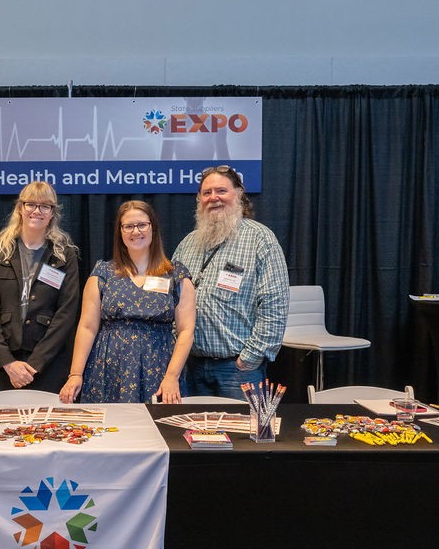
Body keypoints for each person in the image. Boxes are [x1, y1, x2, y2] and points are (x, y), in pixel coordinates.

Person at [59, 200, 195, 404]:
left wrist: (172, 376)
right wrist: (75, 374)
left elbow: (186, 330)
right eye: (128, 226)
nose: (135, 231)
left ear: (153, 228)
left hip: (160, 370)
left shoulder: (176, 275)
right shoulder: (102, 273)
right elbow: (87, 327)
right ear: (120, 232)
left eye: (142, 225)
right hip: (108, 370)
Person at [172, 165, 289, 399]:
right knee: (189, 434)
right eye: (206, 193)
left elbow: (275, 306)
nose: (213, 198)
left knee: (241, 435)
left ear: (238, 194)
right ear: (199, 199)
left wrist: (249, 359)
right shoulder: (188, 244)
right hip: (190, 367)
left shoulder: (260, 239)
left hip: (237, 371)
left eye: (221, 191)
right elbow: (170, 297)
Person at [0, 181, 80, 393]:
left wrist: (35, 364)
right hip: (4, 366)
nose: (37, 211)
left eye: (45, 206)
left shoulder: (64, 255)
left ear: (53, 213)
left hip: (48, 366)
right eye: (31, 204)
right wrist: (7, 362)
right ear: (19, 208)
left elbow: (66, 314)